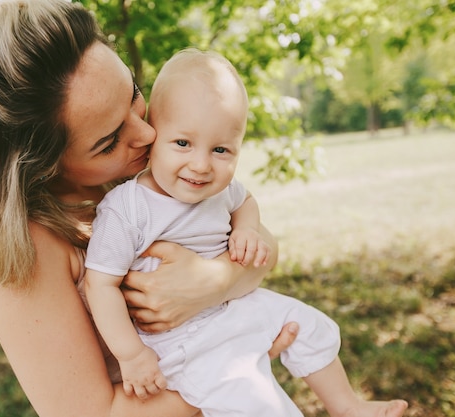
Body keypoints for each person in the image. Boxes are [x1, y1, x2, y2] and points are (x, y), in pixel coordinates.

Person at [0, 0, 299, 416]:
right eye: (108, 140)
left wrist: (219, 282)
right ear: (41, 165)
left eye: (134, 94)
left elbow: (258, 240)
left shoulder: (136, 174)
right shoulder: (20, 251)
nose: (145, 132)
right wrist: (231, 361)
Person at [84, 49, 409, 417]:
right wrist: (131, 354)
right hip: (182, 341)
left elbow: (246, 200)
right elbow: (100, 285)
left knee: (309, 325)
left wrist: (247, 228)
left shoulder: (220, 189)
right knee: (259, 402)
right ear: (153, 135)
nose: (202, 165)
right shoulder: (127, 208)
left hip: (232, 305)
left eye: (221, 149)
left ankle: (347, 406)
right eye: (183, 143)